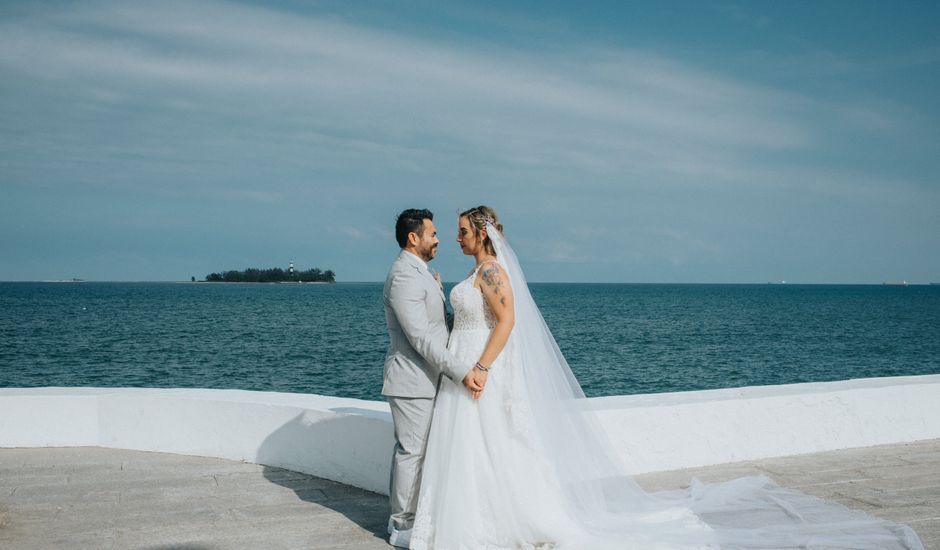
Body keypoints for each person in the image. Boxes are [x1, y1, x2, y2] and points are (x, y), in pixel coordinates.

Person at [409, 206, 924, 549]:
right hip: (467, 369)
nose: (455, 236)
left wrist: (479, 367)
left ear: (482, 233)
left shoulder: (494, 273)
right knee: (481, 448)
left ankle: (501, 523)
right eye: (452, 231)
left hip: (482, 369)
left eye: (461, 230)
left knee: (498, 444)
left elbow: (508, 322)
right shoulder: (475, 275)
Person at [382, 208, 488, 548]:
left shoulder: (421, 273)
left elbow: (438, 326)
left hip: (429, 379)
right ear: (414, 238)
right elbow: (420, 338)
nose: (439, 239)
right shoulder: (403, 276)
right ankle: (401, 526)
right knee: (411, 454)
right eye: (432, 234)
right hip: (411, 380)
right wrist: (461, 371)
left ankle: (411, 520)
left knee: (421, 454)